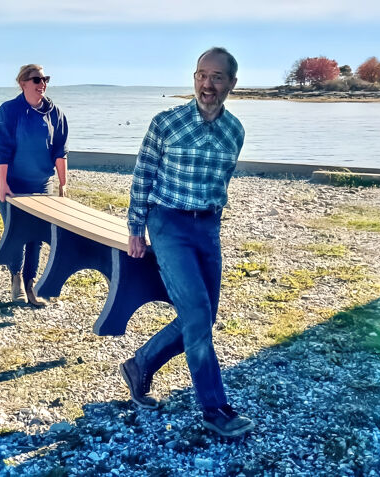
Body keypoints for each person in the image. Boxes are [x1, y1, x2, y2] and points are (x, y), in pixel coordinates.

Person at [121, 47, 255, 437]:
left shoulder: (235, 131)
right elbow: (142, 175)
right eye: (200, 75)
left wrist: (212, 223)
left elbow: (222, 183)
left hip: (208, 227)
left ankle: (140, 364)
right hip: (168, 224)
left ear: (231, 83)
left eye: (215, 77)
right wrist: (136, 229)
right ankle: (215, 409)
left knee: (203, 317)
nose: (206, 84)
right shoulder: (167, 122)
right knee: (197, 315)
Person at [0, 64, 69, 306]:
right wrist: (3, 183)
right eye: (36, 80)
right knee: (16, 232)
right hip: (12, 183)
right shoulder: (9, 111)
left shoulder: (55, 113)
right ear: (23, 83)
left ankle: (30, 285)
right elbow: (2, 150)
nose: (42, 84)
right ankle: (15, 278)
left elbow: (60, 150)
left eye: (45, 79)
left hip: (41, 185)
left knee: (35, 235)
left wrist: (63, 185)